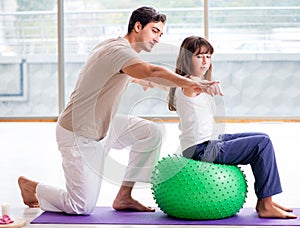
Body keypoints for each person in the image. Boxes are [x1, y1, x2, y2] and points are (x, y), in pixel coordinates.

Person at [18, 7, 220, 215]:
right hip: (79, 134)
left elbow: (118, 72)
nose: (158, 38)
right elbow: (151, 70)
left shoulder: (116, 47)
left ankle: (124, 195)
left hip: (105, 126)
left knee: (152, 132)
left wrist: (137, 79)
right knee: (80, 206)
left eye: (161, 34)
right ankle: (31, 186)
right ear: (137, 26)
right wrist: (185, 81)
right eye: (154, 31)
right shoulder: (119, 51)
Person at [167, 35, 297, 219]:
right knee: (261, 144)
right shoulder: (189, 83)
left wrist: (206, 85)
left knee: (263, 136)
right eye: (199, 56)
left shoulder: (189, 81)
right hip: (200, 150)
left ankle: (263, 201)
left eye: (208, 56)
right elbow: (195, 85)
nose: (205, 61)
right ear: (188, 59)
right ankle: (266, 205)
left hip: (209, 141)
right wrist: (206, 86)